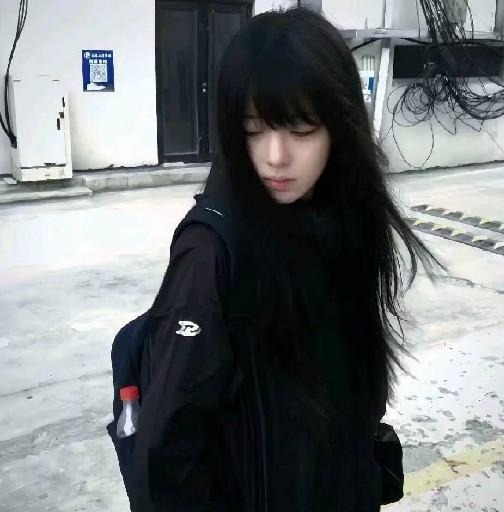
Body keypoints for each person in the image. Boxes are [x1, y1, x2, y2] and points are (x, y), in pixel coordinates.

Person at [130, 7, 441, 512]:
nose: (275, 156)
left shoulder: (346, 220)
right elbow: (167, 451)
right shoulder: (211, 251)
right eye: (254, 129)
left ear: (339, 126)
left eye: (300, 129)